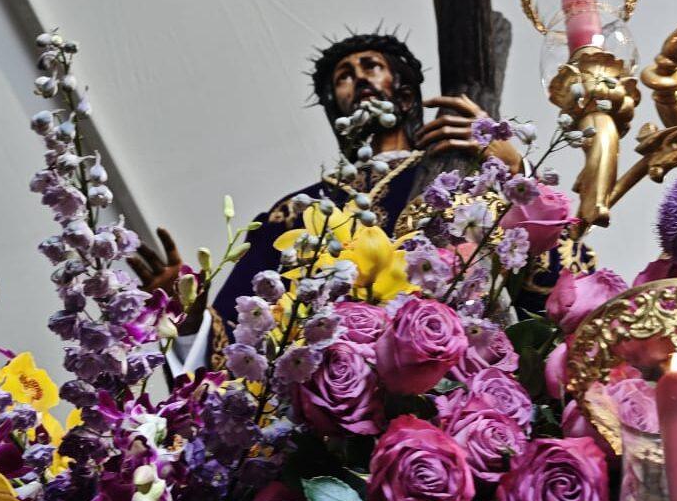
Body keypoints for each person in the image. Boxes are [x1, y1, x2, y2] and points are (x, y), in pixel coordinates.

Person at [131, 31, 519, 373]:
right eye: (345, 76)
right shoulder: (292, 213)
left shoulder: (455, 175)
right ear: (337, 109)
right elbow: (236, 343)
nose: (359, 78)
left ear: (405, 96)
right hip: (330, 403)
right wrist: (188, 317)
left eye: (371, 66)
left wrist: (515, 168)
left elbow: (528, 270)